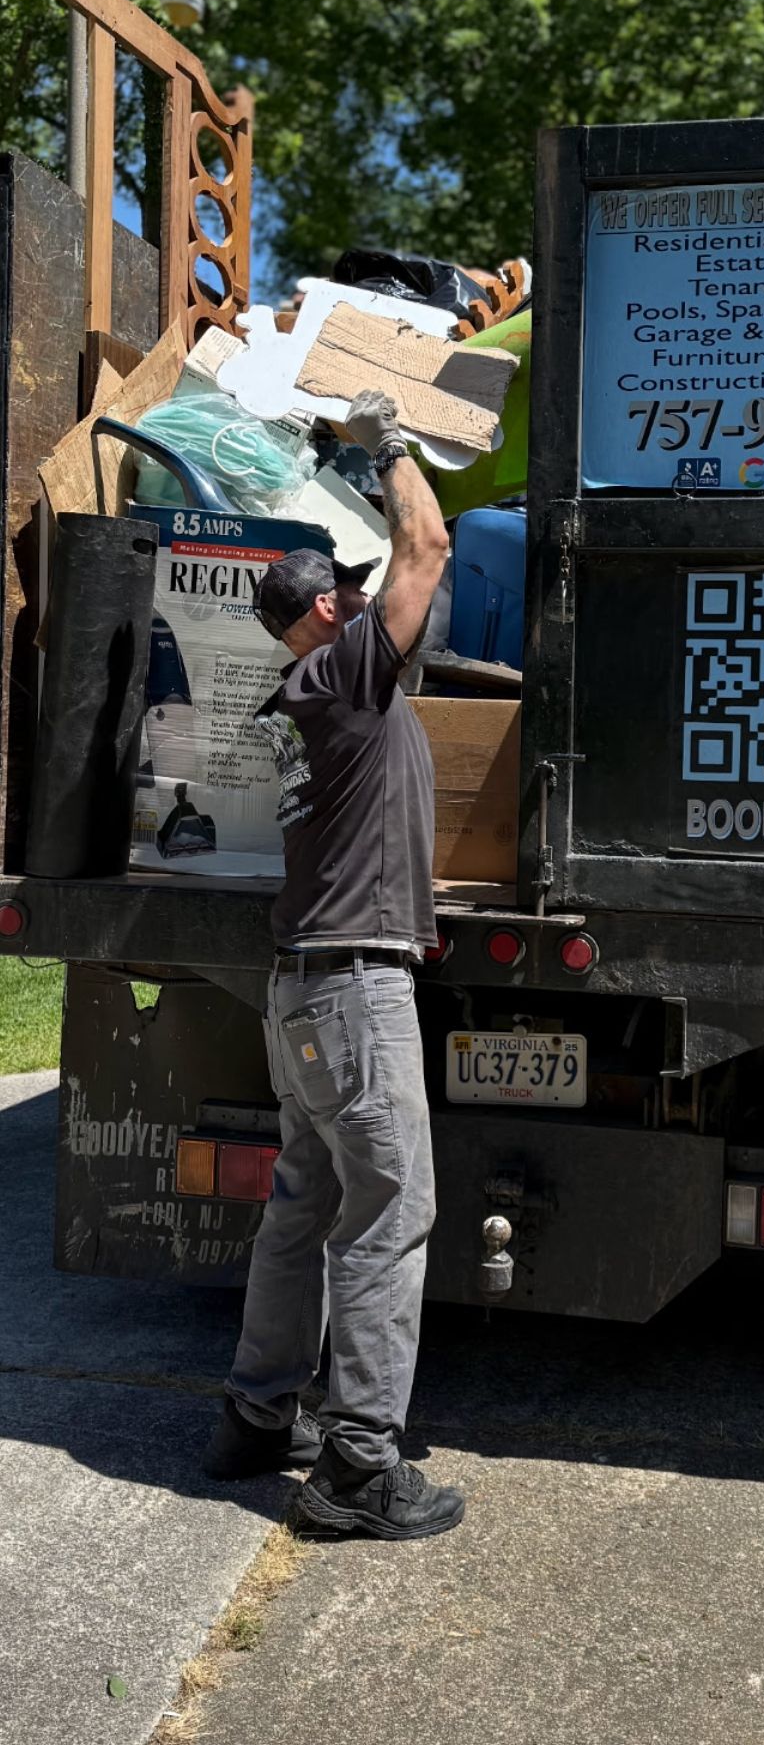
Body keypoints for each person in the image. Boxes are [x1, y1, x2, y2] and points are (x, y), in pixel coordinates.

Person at [203, 389, 464, 1542]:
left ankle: (261, 1419)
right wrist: (390, 441)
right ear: (326, 609)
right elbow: (430, 544)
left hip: (303, 992)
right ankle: (359, 1468)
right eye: (349, 592)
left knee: (304, 1207)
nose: (370, 598)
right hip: (354, 996)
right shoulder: (350, 674)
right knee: (389, 1212)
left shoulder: (309, 695)